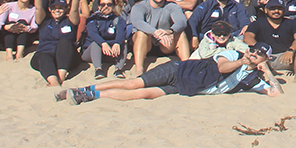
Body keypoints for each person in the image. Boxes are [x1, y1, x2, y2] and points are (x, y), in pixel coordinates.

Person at [56, 42, 282, 104]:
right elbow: (221, 68)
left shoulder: (252, 80)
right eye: (254, 50)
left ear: (265, 58)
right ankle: (82, 90)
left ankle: (93, 96)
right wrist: (244, 59)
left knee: (143, 94)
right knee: (134, 84)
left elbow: (276, 94)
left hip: (185, 88)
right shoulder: (234, 55)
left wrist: (268, 73)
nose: (254, 54)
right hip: (177, 70)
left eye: (260, 54)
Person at [29, 0, 83, 87]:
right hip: (46, 54)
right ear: (50, 9)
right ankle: (53, 82)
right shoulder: (45, 21)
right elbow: (39, 8)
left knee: (65, 42)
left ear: (65, 9)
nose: (57, 10)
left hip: (66, 58)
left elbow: (74, 10)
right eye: (54, 8)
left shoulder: (70, 21)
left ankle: (61, 77)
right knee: (43, 57)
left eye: (60, 8)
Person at [130, 0, 191, 76]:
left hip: (165, 43)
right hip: (146, 43)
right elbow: (137, 22)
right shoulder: (139, 6)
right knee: (141, 33)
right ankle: (139, 69)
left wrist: (169, 31)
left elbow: (182, 22)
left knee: (180, 33)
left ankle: (187, 66)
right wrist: (155, 32)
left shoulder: (172, 6)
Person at [244, 0, 296, 82]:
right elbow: (247, 36)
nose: (276, 11)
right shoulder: (258, 23)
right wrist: (258, 50)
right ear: (266, 10)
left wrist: (291, 50)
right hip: (263, 58)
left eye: (279, 9)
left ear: (284, 11)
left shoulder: (293, 23)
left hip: (285, 57)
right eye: (272, 9)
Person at [82, 0, 128, 79]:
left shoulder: (118, 19)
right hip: (91, 52)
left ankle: (118, 69)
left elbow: (121, 33)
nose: (106, 6)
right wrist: (103, 43)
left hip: (110, 51)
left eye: (109, 4)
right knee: (96, 43)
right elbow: (93, 34)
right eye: (102, 4)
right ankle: (98, 70)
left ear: (113, 6)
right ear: (98, 7)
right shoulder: (92, 19)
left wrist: (117, 43)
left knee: (123, 44)